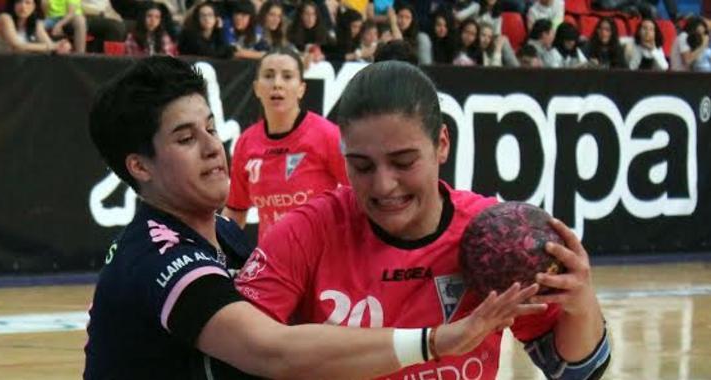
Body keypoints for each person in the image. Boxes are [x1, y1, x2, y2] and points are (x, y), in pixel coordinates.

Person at [84, 55, 546, 380]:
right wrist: (436, 342)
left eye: (209, 127)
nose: (211, 146)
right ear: (139, 166)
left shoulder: (225, 234)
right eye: (185, 138)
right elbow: (270, 351)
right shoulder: (156, 256)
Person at [235, 61, 612, 380]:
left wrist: (581, 302)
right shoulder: (307, 232)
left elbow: (577, 370)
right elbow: (241, 349)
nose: (383, 185)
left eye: (403, 162)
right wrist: (430, 341)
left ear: (442, 144)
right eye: (362, 166)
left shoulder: (494, 238)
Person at [223, 47, 348, 239]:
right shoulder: (246, 142)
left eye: (287, 76)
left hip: (321, 259)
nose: (277, 84)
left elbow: (362, 195)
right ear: (257, 88)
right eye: (269, 75)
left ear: (301, 89)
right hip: (271, 260)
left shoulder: (328, 135)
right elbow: (235, 211)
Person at [0, 0, 72, 53]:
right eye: (19, 1)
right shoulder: (4, 18)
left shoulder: (37, 24)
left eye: (28, 2)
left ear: (34, 6)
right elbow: (17, 46)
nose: (23, 6)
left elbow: (50, 47)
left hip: (15, 69)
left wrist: (62, 46)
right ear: (13, 4)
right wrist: (52, 46)